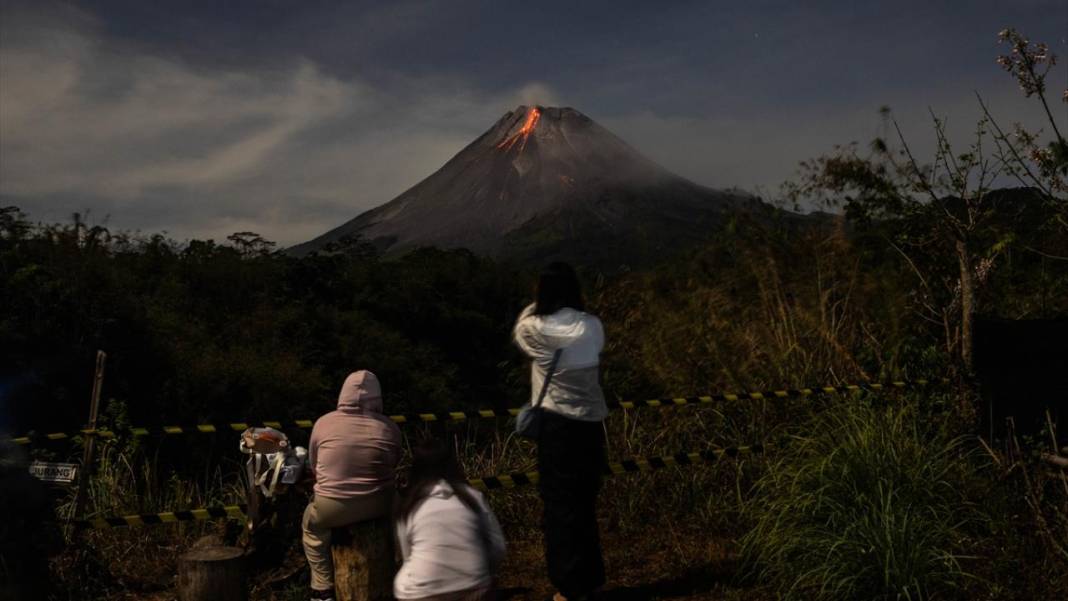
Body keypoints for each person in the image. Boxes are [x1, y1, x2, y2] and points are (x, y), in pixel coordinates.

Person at [512, 262, 608, 601]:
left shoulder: (534, 329)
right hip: (592, 426)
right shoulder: (592, 326)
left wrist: (538, 302)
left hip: (559, 428)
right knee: (584, 503)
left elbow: (521, 324)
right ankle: (592, 578)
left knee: (559, 507)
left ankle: (569, 586)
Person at [303, 370, 403, 601]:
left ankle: (322, 588)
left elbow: (315, 465)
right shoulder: (389, 427)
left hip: (332, 508)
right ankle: (402, 570)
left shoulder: (323, 423)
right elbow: (394, 462)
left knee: (311, 526)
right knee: (401, 514)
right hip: (381, 503)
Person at [393, 438, 506, 601]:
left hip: (420, 593)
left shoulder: (409, 506)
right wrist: (483, 571)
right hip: (473, 588)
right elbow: (498, 547)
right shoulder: (472, 497)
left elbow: (407, 556)